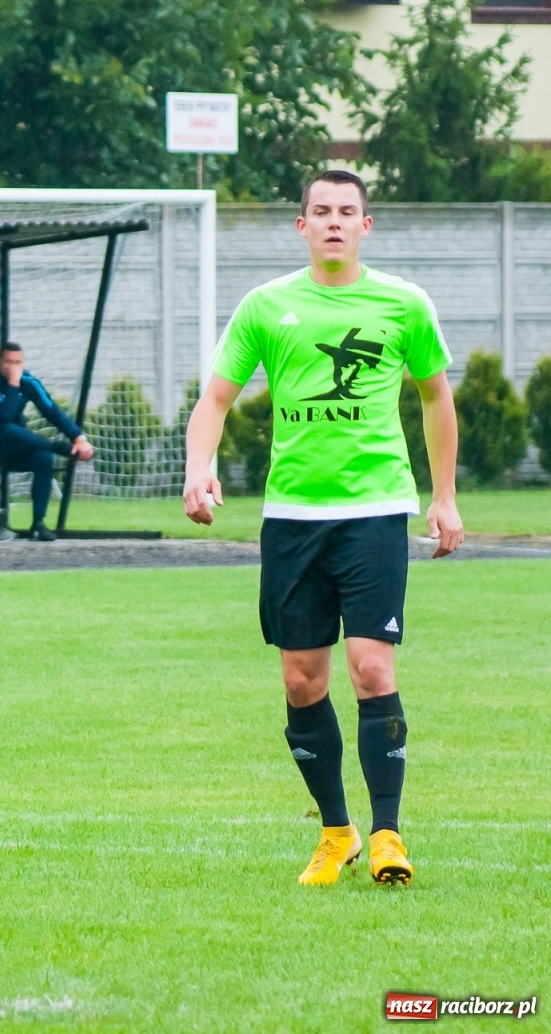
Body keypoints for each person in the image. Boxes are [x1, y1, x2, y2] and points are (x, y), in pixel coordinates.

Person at [183, 168, 463, 888]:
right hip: (292, 520)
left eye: (348, 211)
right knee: (303, 681)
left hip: (374, 511)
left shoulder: (404, 304)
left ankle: (389, 834)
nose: (334, 221)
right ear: (300, 226)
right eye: (321, 211)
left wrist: (445, 496)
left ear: (367, 225)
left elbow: (436, 398)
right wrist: (199, 467)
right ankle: (335, 833)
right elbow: (216, 398)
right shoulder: (265, 307)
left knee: (372, 667)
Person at [0, 341, 95, 541]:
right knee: (7, 428)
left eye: (18, 362)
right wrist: (13, 384)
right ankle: (57, 447)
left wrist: (78, 438)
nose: (13, 367)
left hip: (13, 447)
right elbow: (4, 418)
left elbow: (50, 409)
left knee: (43, 457)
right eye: (8, 362)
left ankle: (38, 524)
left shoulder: (27, 380)